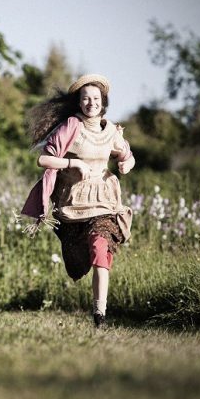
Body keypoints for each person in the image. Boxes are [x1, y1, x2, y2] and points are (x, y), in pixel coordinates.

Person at [21, 74, 135, 328]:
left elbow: (127, 155)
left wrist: (126, 164)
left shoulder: (112, 130)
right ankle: (94, 301)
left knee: (101, 248)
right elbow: (44, 159)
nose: (91, 103)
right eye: (86, 99)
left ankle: (99, 313)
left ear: (103, 102)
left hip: (105, 201)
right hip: (73, 205)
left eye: (96, 99)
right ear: (79, 103)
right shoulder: (71, 126)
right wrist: (74, 163)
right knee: (78, 259)